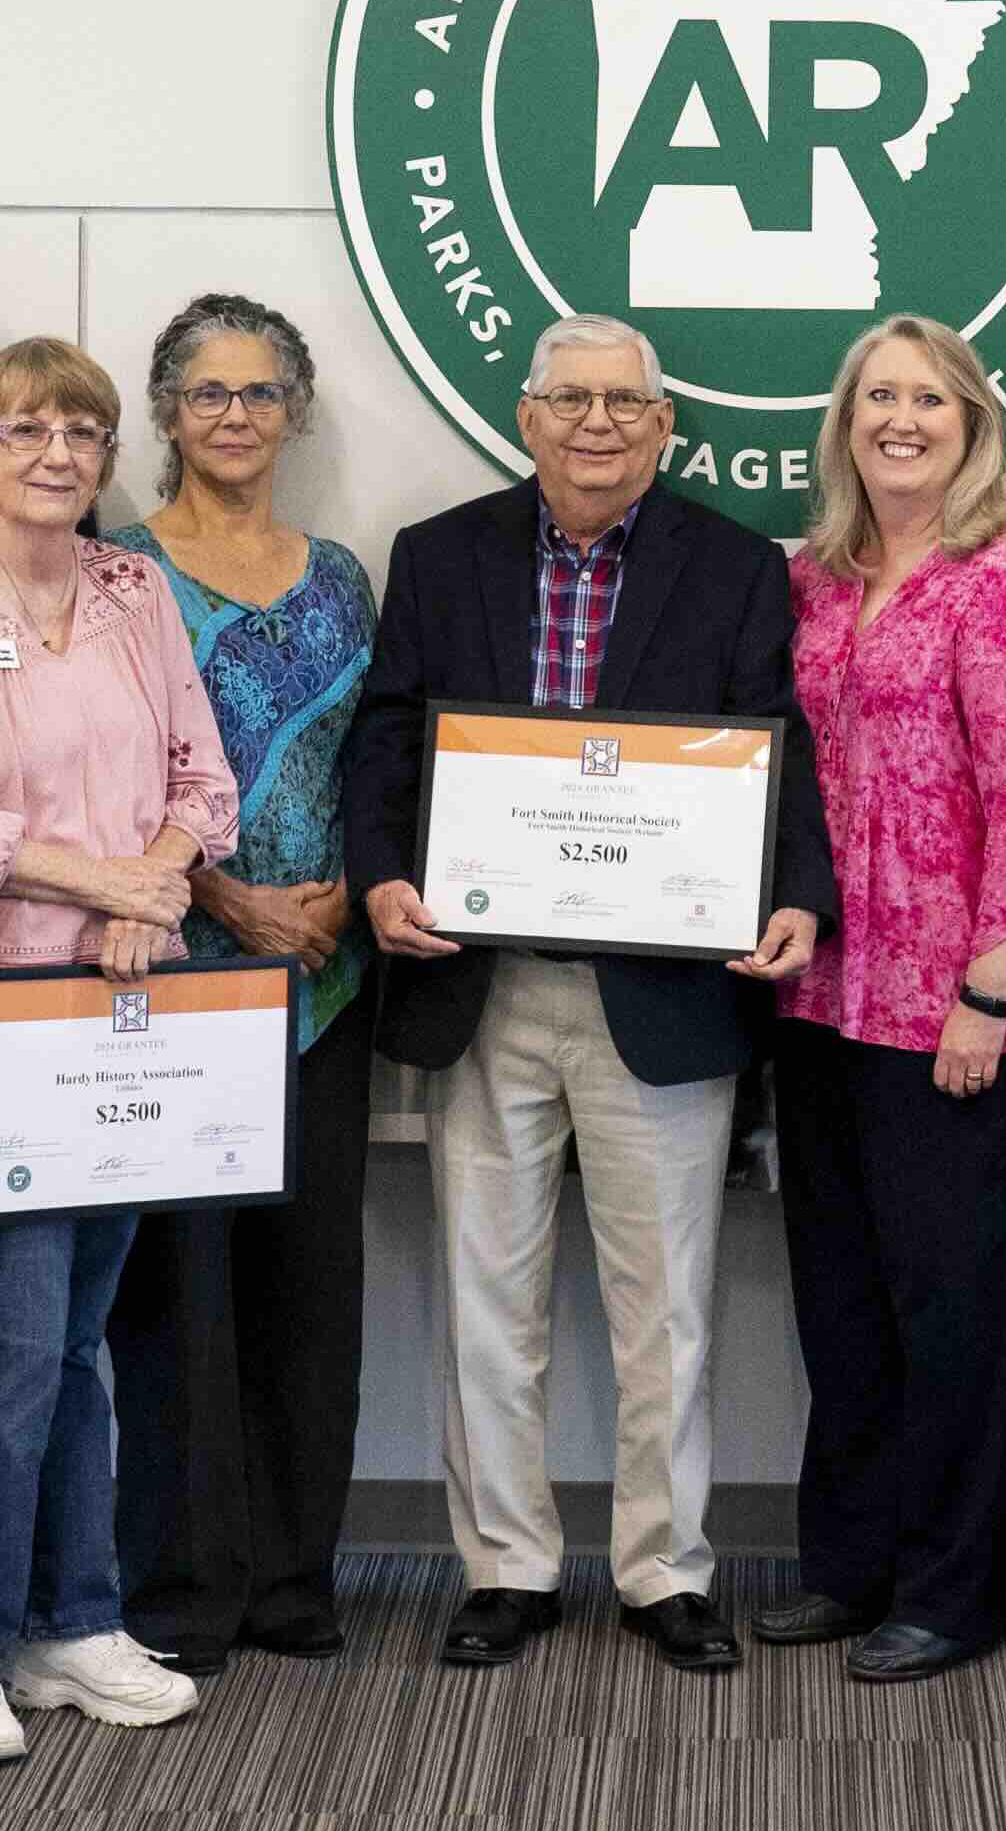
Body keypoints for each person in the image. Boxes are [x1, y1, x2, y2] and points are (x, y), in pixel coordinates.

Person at [341, 317, 835, 1677]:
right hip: (479, 983)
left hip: (665, 990)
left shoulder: (737, 567)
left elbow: (782, 749)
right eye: (573, 399)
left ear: (666, 426)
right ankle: (504, 1567)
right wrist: (381, 880)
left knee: (666, 1304)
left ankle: (667, 1572)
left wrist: (796, 896)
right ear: (527, 413)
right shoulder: (441, 556)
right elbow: (389, 734)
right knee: (485, 1293)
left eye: (626, 402)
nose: (599, 423)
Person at [0, 337, 245, 1765]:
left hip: (131, 1009)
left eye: (81, 430)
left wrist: (155, 883)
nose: (57, 453)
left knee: (81, 1343)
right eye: (23, 429)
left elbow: (204, 780)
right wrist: (103, 885)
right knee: (12, 1345)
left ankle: (73, 1624)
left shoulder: (137, 590)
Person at [759, 316, 1006, 1687]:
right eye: (877, 397)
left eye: (928, 401)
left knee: (952, 1313)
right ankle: (852, 1566)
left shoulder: (1000, 580)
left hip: (955, 1008)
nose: (901, 419)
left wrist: (987, 994)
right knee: (842, 1307)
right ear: (845, 422)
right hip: (823, 1000)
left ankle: (950, 1596)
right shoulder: (814, 582)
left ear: (970, 425)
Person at [114, 294, 381, 1675]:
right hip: (175, 973)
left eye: (261, 393)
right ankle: (180, 1587)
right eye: (208, 392)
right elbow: (106, 772)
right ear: (166, 412)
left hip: (326, 990)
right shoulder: (116, 574)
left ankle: (292, 1576)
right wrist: (225, 898)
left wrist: (340, 898)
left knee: (306, 1292)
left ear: (296, 411)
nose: (235, 416)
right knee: (179, 1297)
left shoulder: (341, 575)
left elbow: (364, 762)